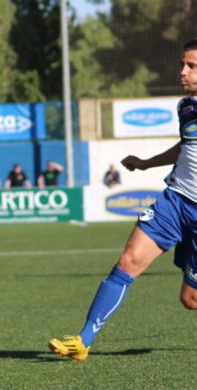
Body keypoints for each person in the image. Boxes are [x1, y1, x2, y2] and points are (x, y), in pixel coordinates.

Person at [48, 38, 197, 361]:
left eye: (191, 66)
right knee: (128, 261)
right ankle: (83, 341)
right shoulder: (186, 106)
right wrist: (145, 163)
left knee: (190, 299)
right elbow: (185, 146)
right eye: (183, 64)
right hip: (175, 202)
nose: (182, 71)